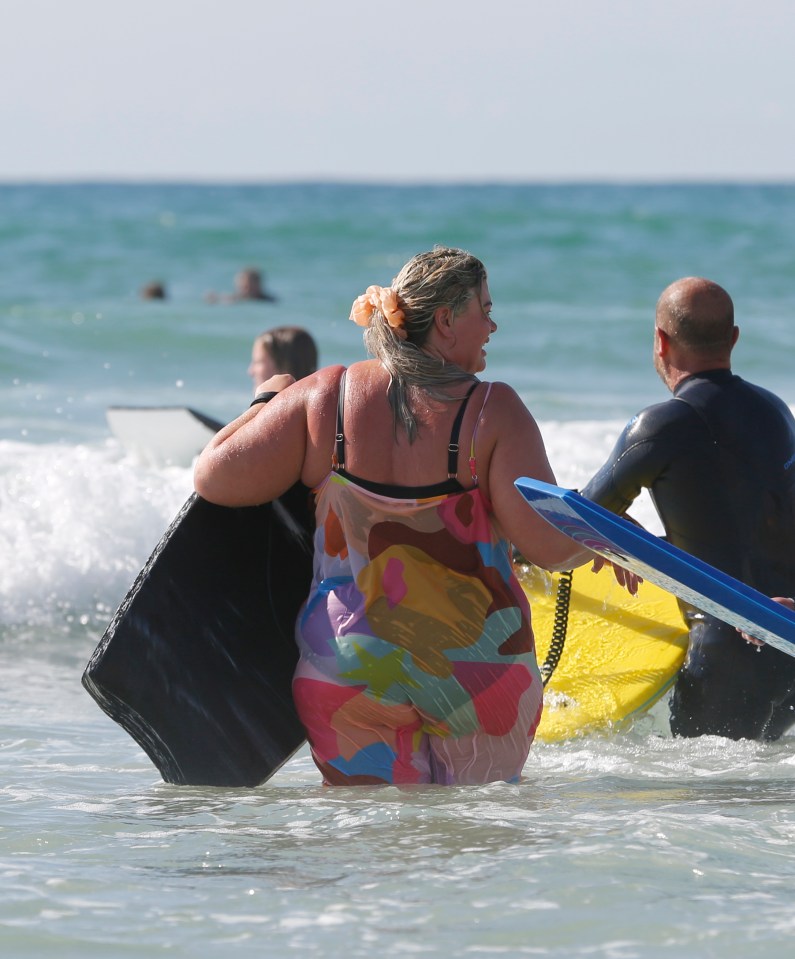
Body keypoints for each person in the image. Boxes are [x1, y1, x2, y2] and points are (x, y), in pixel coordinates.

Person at [194, 246, 635, 787]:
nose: (493, 326)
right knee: (473, 848)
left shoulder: (323, 396)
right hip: (476, 672)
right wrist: (609, 538)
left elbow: (214, 478)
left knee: (369, 850)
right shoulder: (492, 412)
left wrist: (266, 402)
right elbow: (545, 546)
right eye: (485, 310)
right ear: (446, 321)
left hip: (348, 670)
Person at [582, 277, 795, 741]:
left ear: (661, 341)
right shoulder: (777, 413)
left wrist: (621, 539)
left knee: (704, 801)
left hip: (723, 654)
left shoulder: (659, 425)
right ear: (733, 338)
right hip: (788, 636)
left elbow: (581, 517)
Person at [248, 326, 318, 395]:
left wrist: (262, 399)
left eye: (258, 362)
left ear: (286, 367)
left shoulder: (272, 405)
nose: (250, 372)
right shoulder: (320, 403)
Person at [206, 267, 277, 304]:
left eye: (247, 287)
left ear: (258, 284)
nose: (244, 290)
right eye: (241, 287)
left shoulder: (268, 300)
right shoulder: (237, 297)